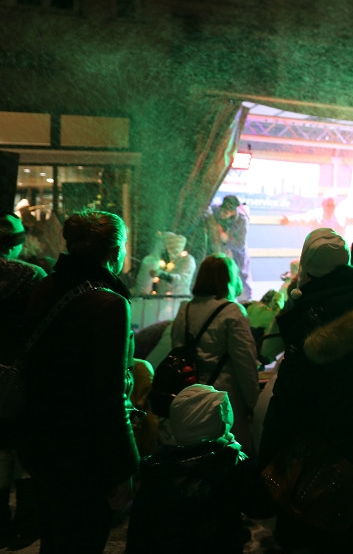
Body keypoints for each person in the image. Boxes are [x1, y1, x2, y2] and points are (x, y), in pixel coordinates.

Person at [18, 210, 139, 554]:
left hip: (39, 441)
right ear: (116, 250)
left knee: (56, 537)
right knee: (83, 538)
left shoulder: (46, 286)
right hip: (84, 455)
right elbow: (109, 397)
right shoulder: (109, 304)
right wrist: (123, 468)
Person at [259, 228, 353, 553]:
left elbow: (287, 402)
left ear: (306, 268)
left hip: (308, 462)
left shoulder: (302, 317)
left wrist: (265, 463)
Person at [126, 384, 262, 554]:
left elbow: (139, 529)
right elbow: (258, 507)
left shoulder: (156, 466)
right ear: (221, 417)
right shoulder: (231, 461)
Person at [174, 254, 260, 453]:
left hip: (192, 400)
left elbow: (178, 352)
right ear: (229, 279)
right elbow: (244, 363)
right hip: (225, 402)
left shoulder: (184, 310)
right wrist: (253, 405)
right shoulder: (233, 312)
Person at [0, 213, 45, 548]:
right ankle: (26, 526)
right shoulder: (33, 277)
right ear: (16, 245)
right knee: (24, 453)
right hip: (21, 378)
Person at [134, 231, 195, 297]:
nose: (162, 251)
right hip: (160, 302)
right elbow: (143, 288)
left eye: (164, 249)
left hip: (179, 301)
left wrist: (161, 275)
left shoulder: (187, 260)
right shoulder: (161, 262)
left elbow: (182, 280)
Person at [214, 195, 251, 300]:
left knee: (240, 286)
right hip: (219, 255)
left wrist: (226, 237)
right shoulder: (214, 211)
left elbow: (240, 244)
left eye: (227, 211)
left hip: (236, 258)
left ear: (234, 211)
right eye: (223, 209)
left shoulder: (242, 220)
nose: (224, 213)